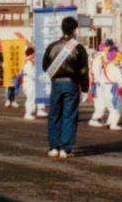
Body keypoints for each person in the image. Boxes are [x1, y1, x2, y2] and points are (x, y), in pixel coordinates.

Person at [41, 16, 89, 159]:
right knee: (69, 116)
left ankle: (54, 147)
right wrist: (85, 88)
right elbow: (84, 71)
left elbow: (45, 66)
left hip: (56, 84)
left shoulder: (52, 46)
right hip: (72, 84)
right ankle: (65, 149)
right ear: (74, 30)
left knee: (55, 115)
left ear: (62, 28)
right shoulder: (78, 48)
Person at [99, 45, 122, 130]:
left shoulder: (106, 67)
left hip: (106, 88)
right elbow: (120, 81)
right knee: (117, 107)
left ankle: (109, 122)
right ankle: (113, 124)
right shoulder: (115, 68)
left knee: (111, 107)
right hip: (114, 89)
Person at [87, 42, 109, 126]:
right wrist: (100, 83)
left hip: (97, 83)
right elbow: (96, 73)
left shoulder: (99, 58)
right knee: (101, 102)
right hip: (98, 84)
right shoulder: (99, 59)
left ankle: (98, 118)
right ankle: (94, 119)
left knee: (100, 102)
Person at [19, 46, 38, 120]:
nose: (34, 55)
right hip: (29, 81)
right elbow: (31, 73)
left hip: (27, 81)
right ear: (31, 54)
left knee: (30, 97)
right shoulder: (29, 62)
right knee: (30, 97)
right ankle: (28, 113)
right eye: (34, 54)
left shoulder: (27, 61)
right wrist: (37, 77)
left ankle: (30, 111)